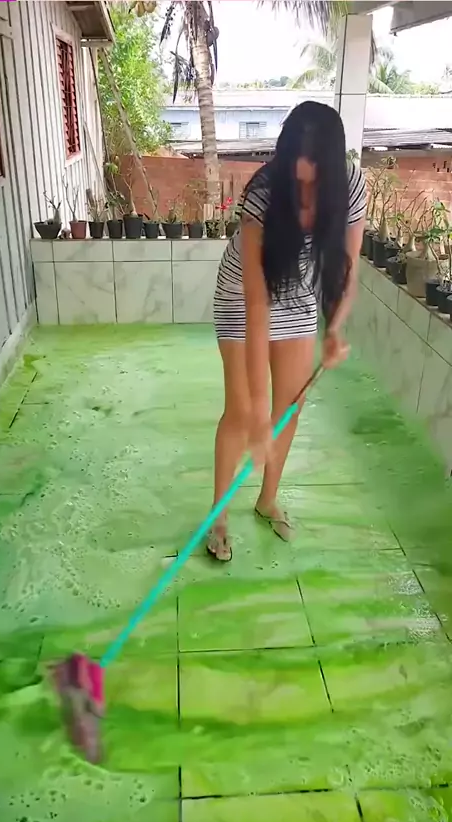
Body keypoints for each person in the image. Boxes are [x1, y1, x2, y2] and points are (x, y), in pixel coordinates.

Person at [207, 101, 366, 562]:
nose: (303, 189)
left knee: (289, 406)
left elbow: (346, 269)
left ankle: (267, 498)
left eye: (313, 179)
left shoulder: (352, 186)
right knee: (243, 412)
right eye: (295, 175)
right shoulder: (262, 194)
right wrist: (258, 410)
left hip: (297, 293)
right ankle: (218, 515)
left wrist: (335, 328)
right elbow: (257, 306)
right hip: (244, 294)